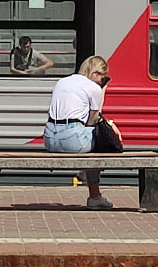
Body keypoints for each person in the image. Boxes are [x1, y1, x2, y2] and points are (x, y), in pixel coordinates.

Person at [42, 55, 114, 209]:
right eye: (103, 77)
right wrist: (103, 93)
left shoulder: (63, 81)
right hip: (71, 140)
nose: (102, 81)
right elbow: (93, 120)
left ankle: (84, 170)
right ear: (95, 74)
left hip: (49, 139)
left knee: (90, 136)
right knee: (99, 141)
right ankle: (94, 196)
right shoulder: (94, 88)